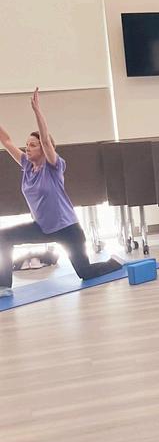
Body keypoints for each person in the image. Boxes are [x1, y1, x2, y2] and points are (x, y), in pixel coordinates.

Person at [0, 90, 122, 294]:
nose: (27, 148)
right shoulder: (26, 166)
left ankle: (115, 262)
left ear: (43, 149)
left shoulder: (54, 167)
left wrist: (37, 111)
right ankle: (3, 286)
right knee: (3, 237)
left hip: (67, 229)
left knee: (85, 272)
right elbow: (6, 140)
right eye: (27, 145)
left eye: (33, 145)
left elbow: (46, 140)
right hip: (41, 228)